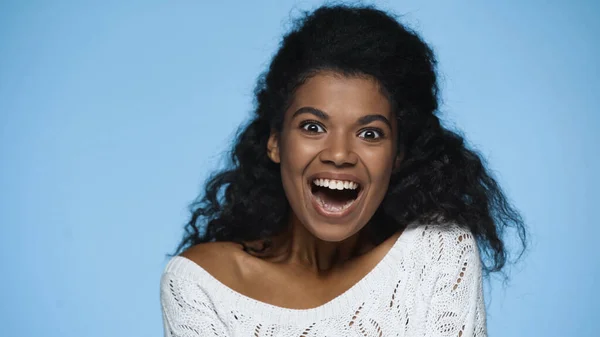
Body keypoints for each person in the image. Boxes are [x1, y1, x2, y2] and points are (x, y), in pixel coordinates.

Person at [160, 4, 526, 336]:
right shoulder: (200, 284)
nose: (339, 154)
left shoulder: (436, 253)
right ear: (275, 142)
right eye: (312, 127)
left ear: (397, 155)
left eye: (370, 133)